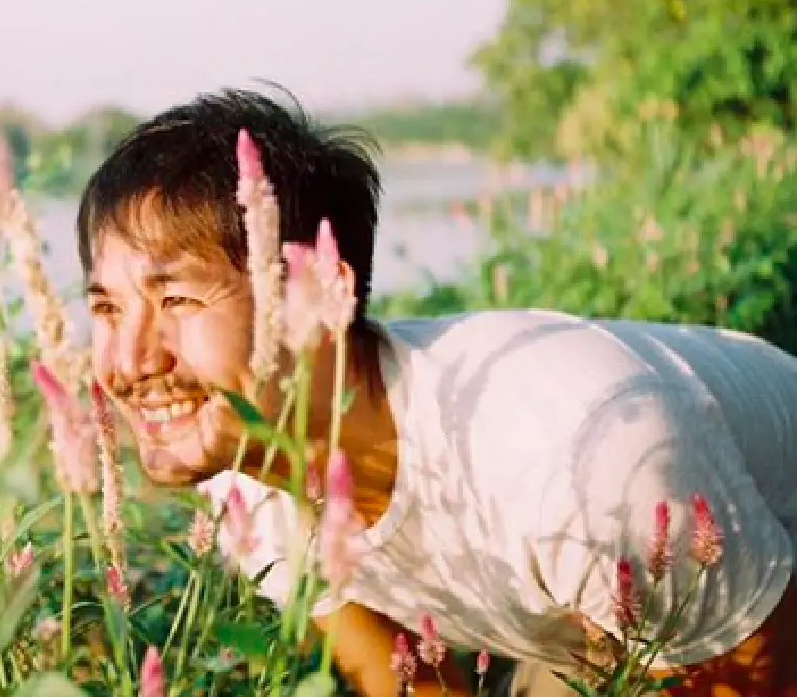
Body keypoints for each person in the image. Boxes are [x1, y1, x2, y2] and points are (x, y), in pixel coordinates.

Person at [74, 88, 797, 696]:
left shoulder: (574, 452)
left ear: (323, 296)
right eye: (106, 307)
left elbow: (756, 674)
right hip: (602, 619)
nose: (129, 361)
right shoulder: (242, 473)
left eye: (177, 300)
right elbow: (409, 682)